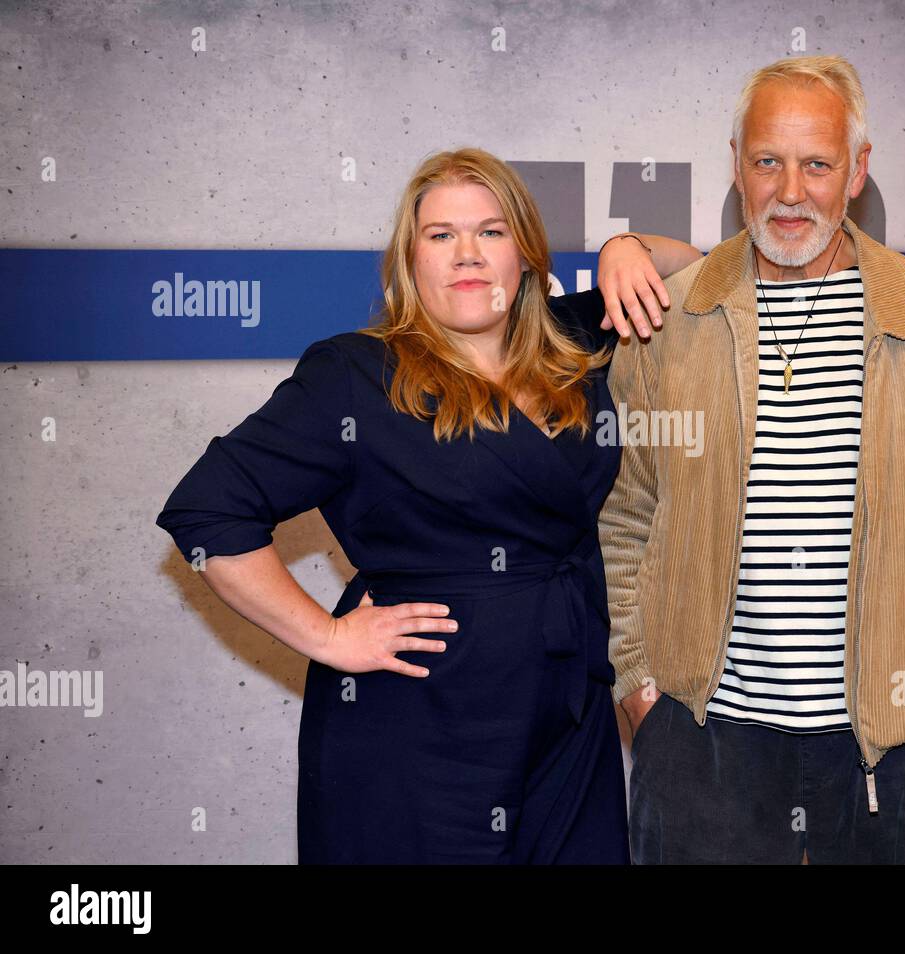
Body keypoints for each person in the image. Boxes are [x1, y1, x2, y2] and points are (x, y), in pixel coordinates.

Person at [155, 146, 701, 864]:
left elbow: (699, 270)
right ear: (410, 263)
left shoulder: (571, 340)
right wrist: (329, 637)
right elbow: (206, 513)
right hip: (420, 735)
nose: (467, 253)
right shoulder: (355, 376)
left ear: (528, 255)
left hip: (569, 723)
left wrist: (623, 247)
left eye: (492, 231)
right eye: (441, 235)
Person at [598, 55, 905, 864]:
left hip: (896, 751)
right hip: (702, 741)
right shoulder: (673, 322)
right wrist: (641, 690)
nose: (790, 190)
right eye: (767, 160)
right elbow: (627, 514)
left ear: (858, 169)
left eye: (817, 163)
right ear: (737, 163)